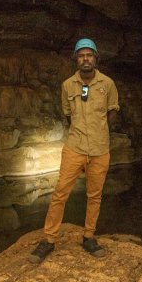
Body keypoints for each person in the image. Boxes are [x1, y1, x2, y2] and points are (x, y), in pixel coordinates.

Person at [28, 38, 119, 264]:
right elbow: (68, 114)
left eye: (89, 55)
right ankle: (48, 240)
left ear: (96, 58)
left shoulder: (107, 84)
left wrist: (100, 130)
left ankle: (89, 237)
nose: (85, 59)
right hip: (75, 147)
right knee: (60, 193)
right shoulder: (68, 85)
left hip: (99, 149)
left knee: (94, 195)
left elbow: (112, 111)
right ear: (76, 60)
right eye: (81, 55)